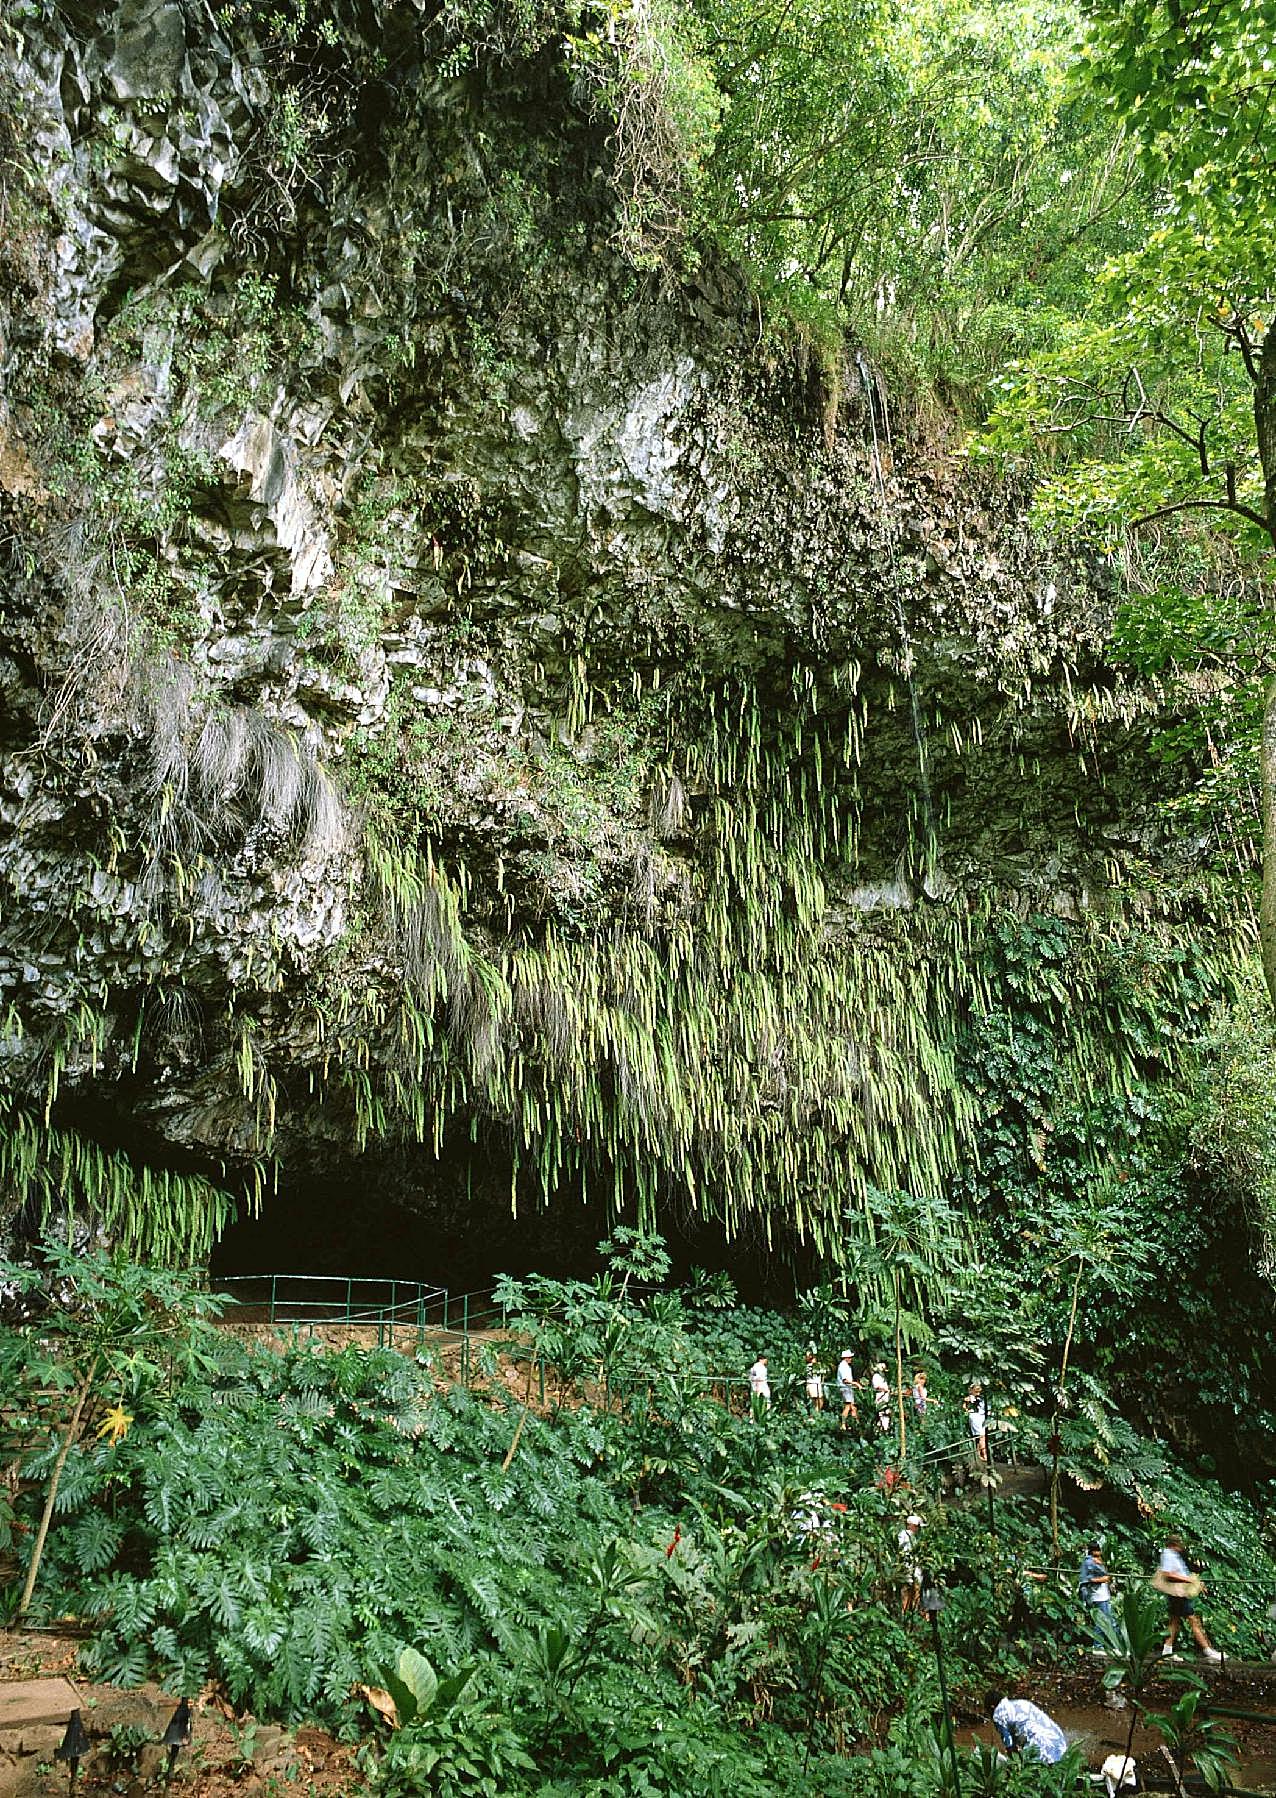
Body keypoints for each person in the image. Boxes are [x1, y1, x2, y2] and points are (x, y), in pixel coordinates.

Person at [1159, 1534, 1222, 1661]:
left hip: (1180, 1592)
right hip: (1177, 1593)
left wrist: (1195, 1582)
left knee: (1174, 1622)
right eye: (1179, 1545)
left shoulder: (1174, 1555)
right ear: (1173, 1545)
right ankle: (1208, 1650)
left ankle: (1167, 1651)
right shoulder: (1168, 1554)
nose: (1181, 1547)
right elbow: (1168, 1574)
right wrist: (1188, 1580)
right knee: (1193, 1620)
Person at [991, 1696, 1068, 1765]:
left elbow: (1008, 1743)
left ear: (992, 1707)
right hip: (1058, 1740)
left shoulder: (998, 1714)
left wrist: (1014, 1765)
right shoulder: (1021, 1702)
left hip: (1039, 1745)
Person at [1079, 1539, 1113, 1652]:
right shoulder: (1089, 1562)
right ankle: (1097, 1646)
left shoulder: (1096, 1561)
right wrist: (1104, 1579)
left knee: (1108, 1620)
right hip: (1098, 1596)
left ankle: (1106, 1645)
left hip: (1103, 1595)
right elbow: (1088, 1579)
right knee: (1101, 1621)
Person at [897, 1513, 923, 1613]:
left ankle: (910, 1614)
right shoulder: (904, 1535)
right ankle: (906, 1614)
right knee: (909, 1592)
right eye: (916, 1526)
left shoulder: (912, 1537)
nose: (917, 1529)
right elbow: (903, 1552)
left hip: (912, 1570)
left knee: (913, 1593)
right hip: (908, 1570)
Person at [964, 1381, 988, 1462]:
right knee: (980, 1436)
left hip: (982, 1417)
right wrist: (967, 1410)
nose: (978, 1393)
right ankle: (984, 1454)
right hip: (975, 1417)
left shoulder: (981, 1398)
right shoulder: (970, 1398)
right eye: (976, 1391)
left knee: (981, 1436)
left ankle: (979, 1454)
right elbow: (964, 1404)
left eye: (979, 1391)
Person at [835, 1350, 857, 1431]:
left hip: (848, 1388)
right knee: (847, 1406)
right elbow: (845, 1380)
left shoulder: (846, 1366)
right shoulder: (843, 1366)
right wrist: (855, 1383)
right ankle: (843, 1424)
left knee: (853, 1407)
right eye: (850, 1357)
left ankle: (853, 1424)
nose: (851, 1359)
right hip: (845, 1388)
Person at [871, 1363, 891, 1432]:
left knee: (887, 1412)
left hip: (886, 1397)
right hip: (880, 1397)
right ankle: (880, 1428)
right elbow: (876, 1387)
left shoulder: (883, 1377)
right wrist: (884, 1390)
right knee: (881, 1412)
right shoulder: (876, 1376)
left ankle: (886, 1428)